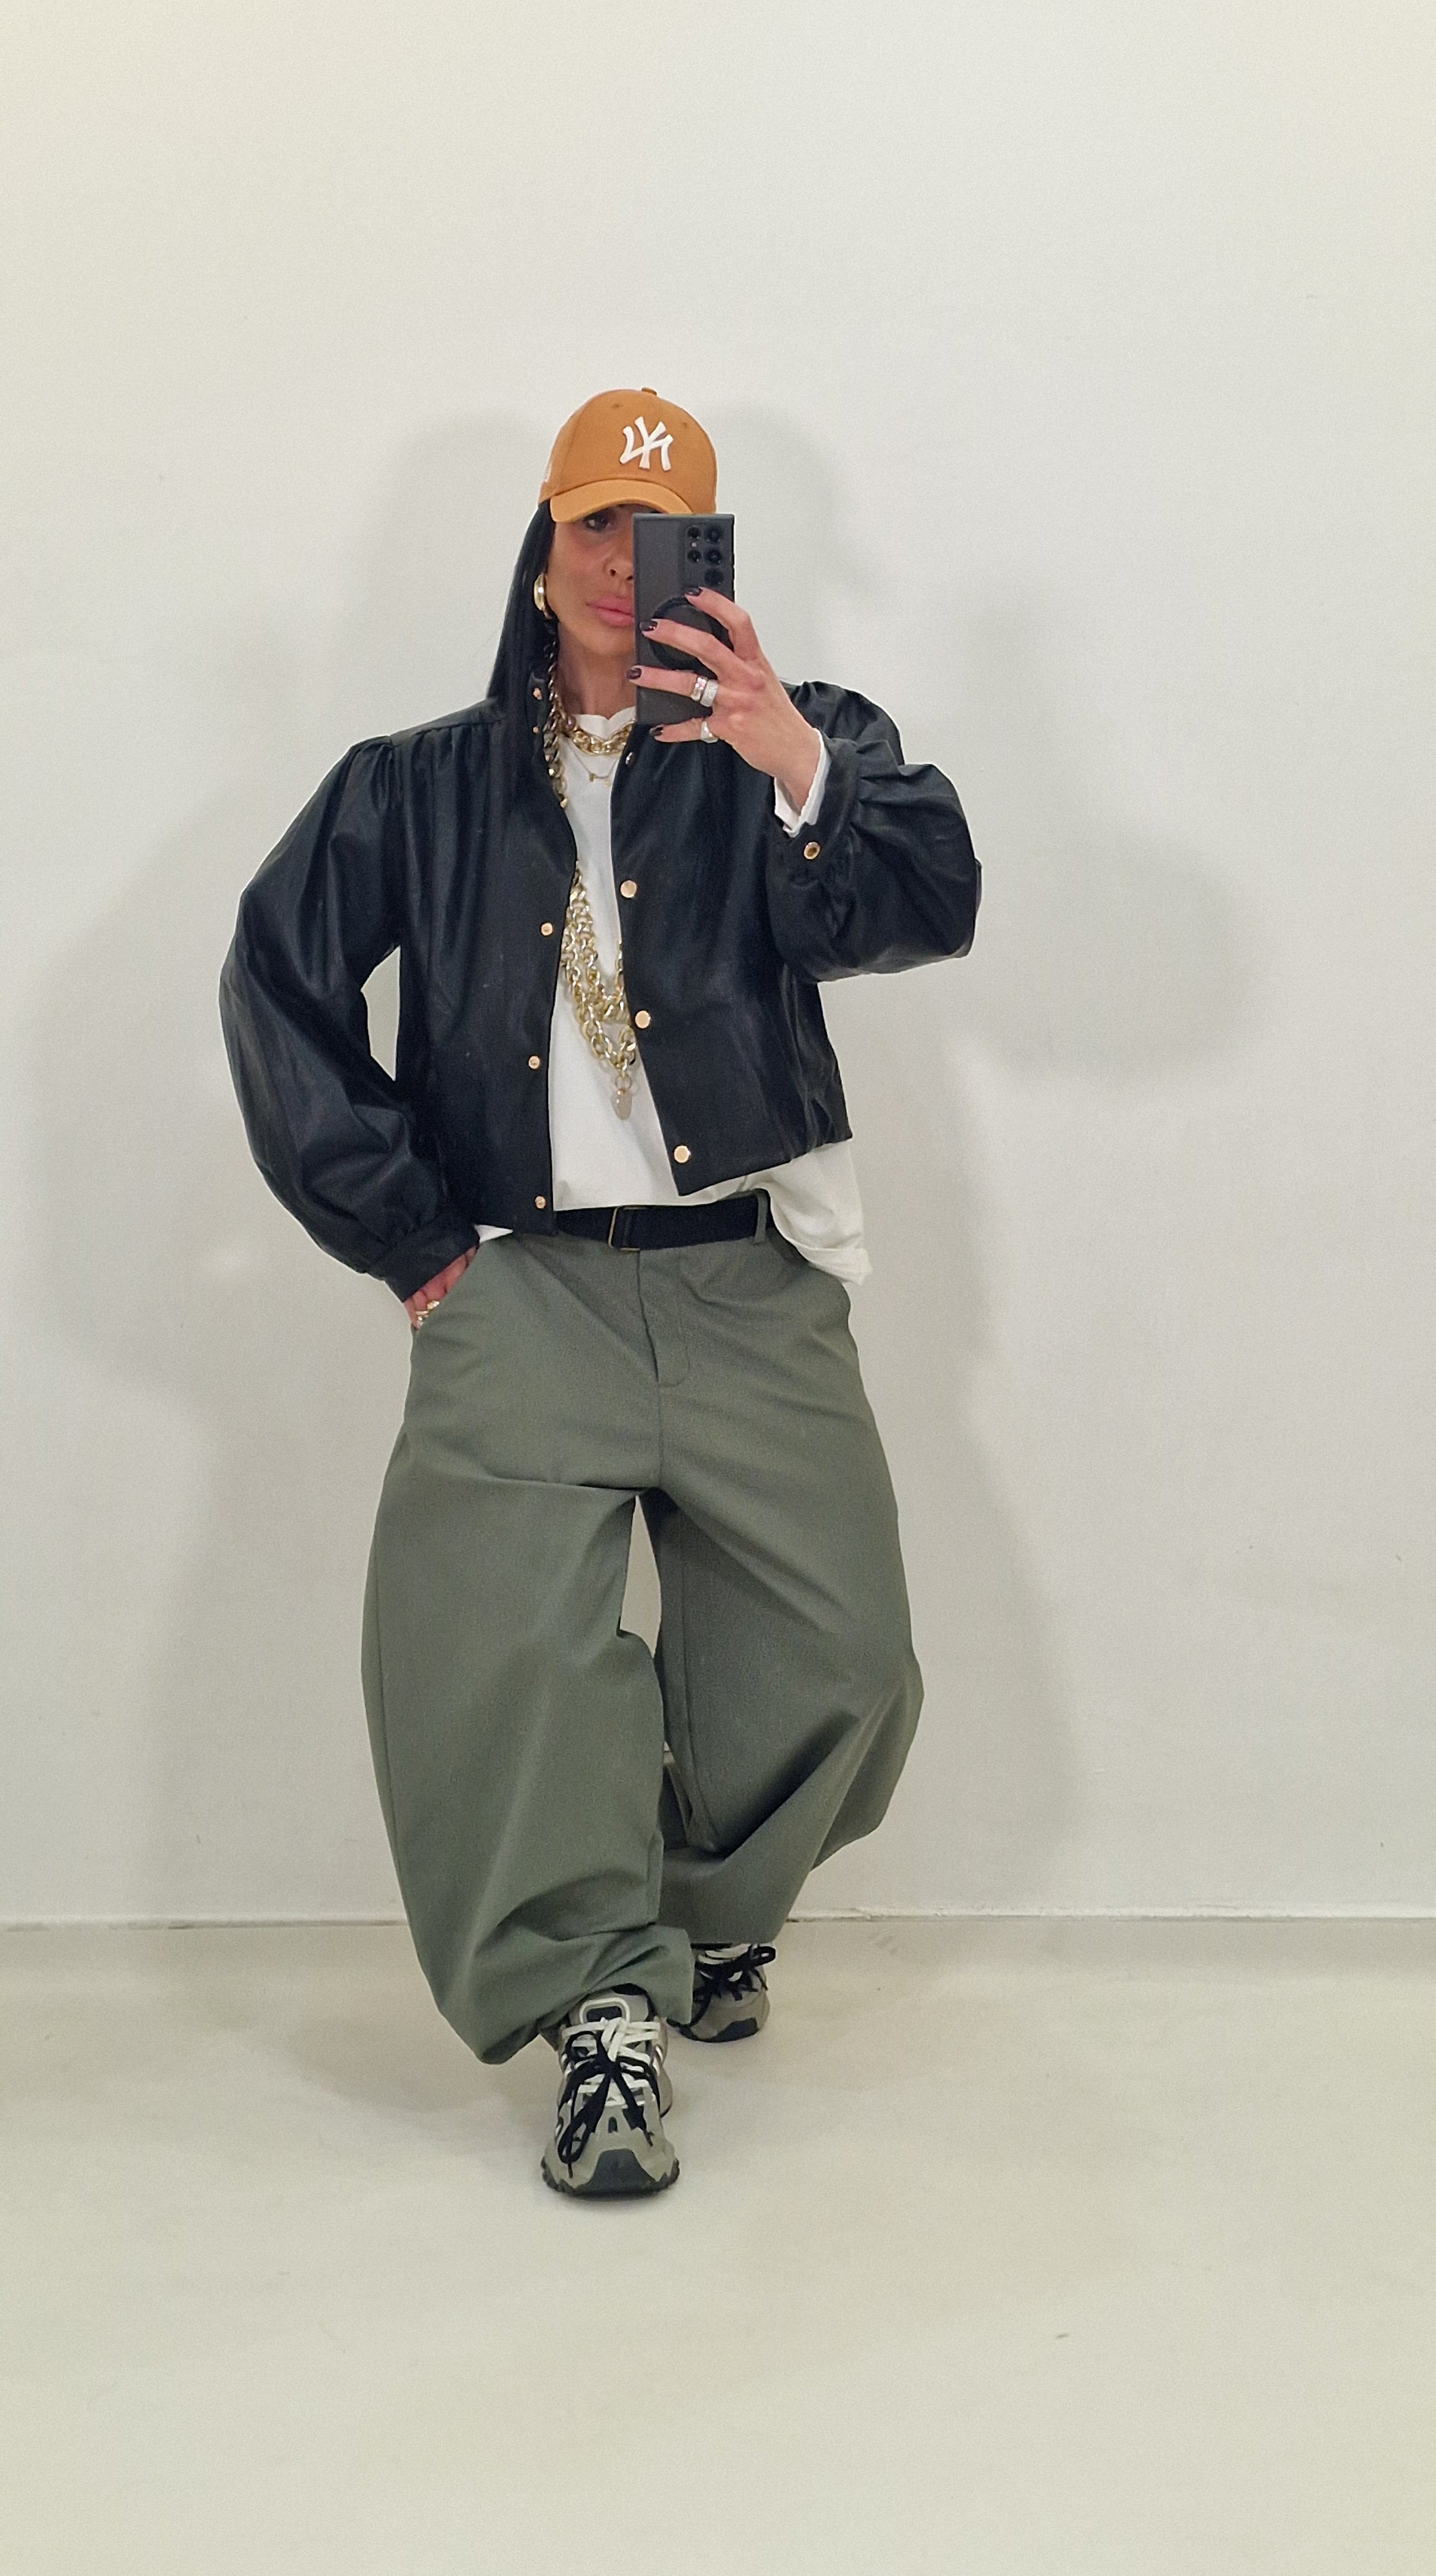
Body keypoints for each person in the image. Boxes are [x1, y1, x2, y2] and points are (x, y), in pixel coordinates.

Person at [220, 385, 979, 2197]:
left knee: (846, 1661)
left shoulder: (798, 743)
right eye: (591, 528)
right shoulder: (412, 787)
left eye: (660, 535)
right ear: (543, 546)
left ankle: (702, 1909)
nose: (620, 568)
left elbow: (924, 902)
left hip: (747, 1285)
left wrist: (793, 759)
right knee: (499, 1663)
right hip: (519, 1292)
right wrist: (412, 1242)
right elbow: (277, 983)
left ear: (710, 556)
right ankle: (598, 2017)